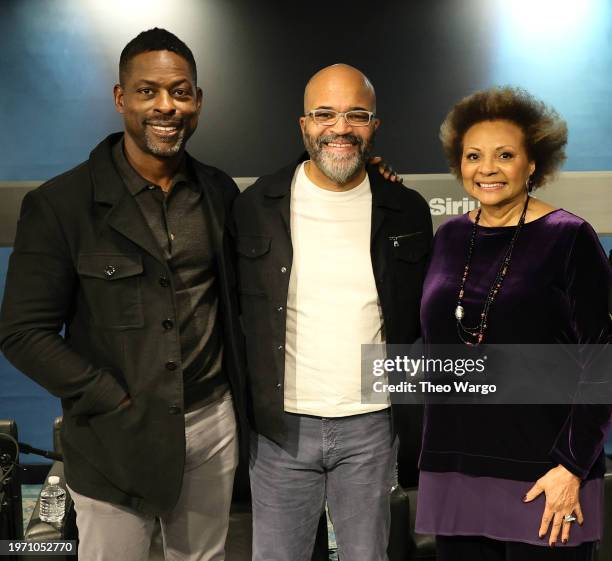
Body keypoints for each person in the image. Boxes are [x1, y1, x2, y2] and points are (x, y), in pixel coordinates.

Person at [0, 28, 248, 561]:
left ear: (198, 101)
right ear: (120, 98)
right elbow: (22, 332)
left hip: (211, 426)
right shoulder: (61, 204)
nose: (167, 106)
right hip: (112, 439)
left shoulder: (220, 193)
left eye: (181, 92)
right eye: (148, 91)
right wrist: (109, 397)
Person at [232, 63, 433, 561]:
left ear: (374, 126)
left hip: (371, 424)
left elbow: (418, 320)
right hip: (280, 427)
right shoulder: (256, 204)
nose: (340, 128)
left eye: (356, 115)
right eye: (325, 114)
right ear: (303, 125)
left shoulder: (406, 208)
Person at [415, 86, 612, 560]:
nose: (487, 168)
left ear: (532, 164)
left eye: (505, 155)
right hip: (457, 471)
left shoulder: (569, 237)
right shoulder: (449, 236)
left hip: (545, 476)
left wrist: (571, 467)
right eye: (473, 155)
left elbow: (603, 361)